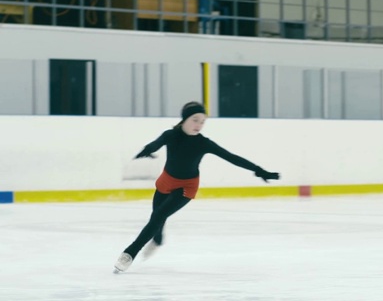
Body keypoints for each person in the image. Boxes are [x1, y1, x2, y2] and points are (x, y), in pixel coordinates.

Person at [114, 101, 280, 273]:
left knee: (159, 216)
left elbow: (232, 157)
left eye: (202, 121)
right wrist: (147, 149)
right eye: (195, 120)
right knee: (157, 219)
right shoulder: (171, 135)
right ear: (184, 119)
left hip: (187, 186)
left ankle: (129, 254)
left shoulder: (204, 143)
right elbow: (157, 143)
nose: (199, 125)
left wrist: (259, 171)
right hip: (166, 181)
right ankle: (158, 239)